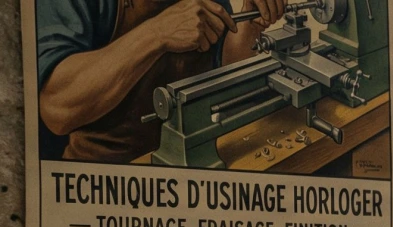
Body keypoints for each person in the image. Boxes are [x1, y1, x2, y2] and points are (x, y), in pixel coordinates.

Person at [36, 0, 286, 162]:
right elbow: (56, 109)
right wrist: (155, 34)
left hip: (195, 161)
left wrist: (249, 23)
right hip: (107, 180)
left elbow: (221, 80)